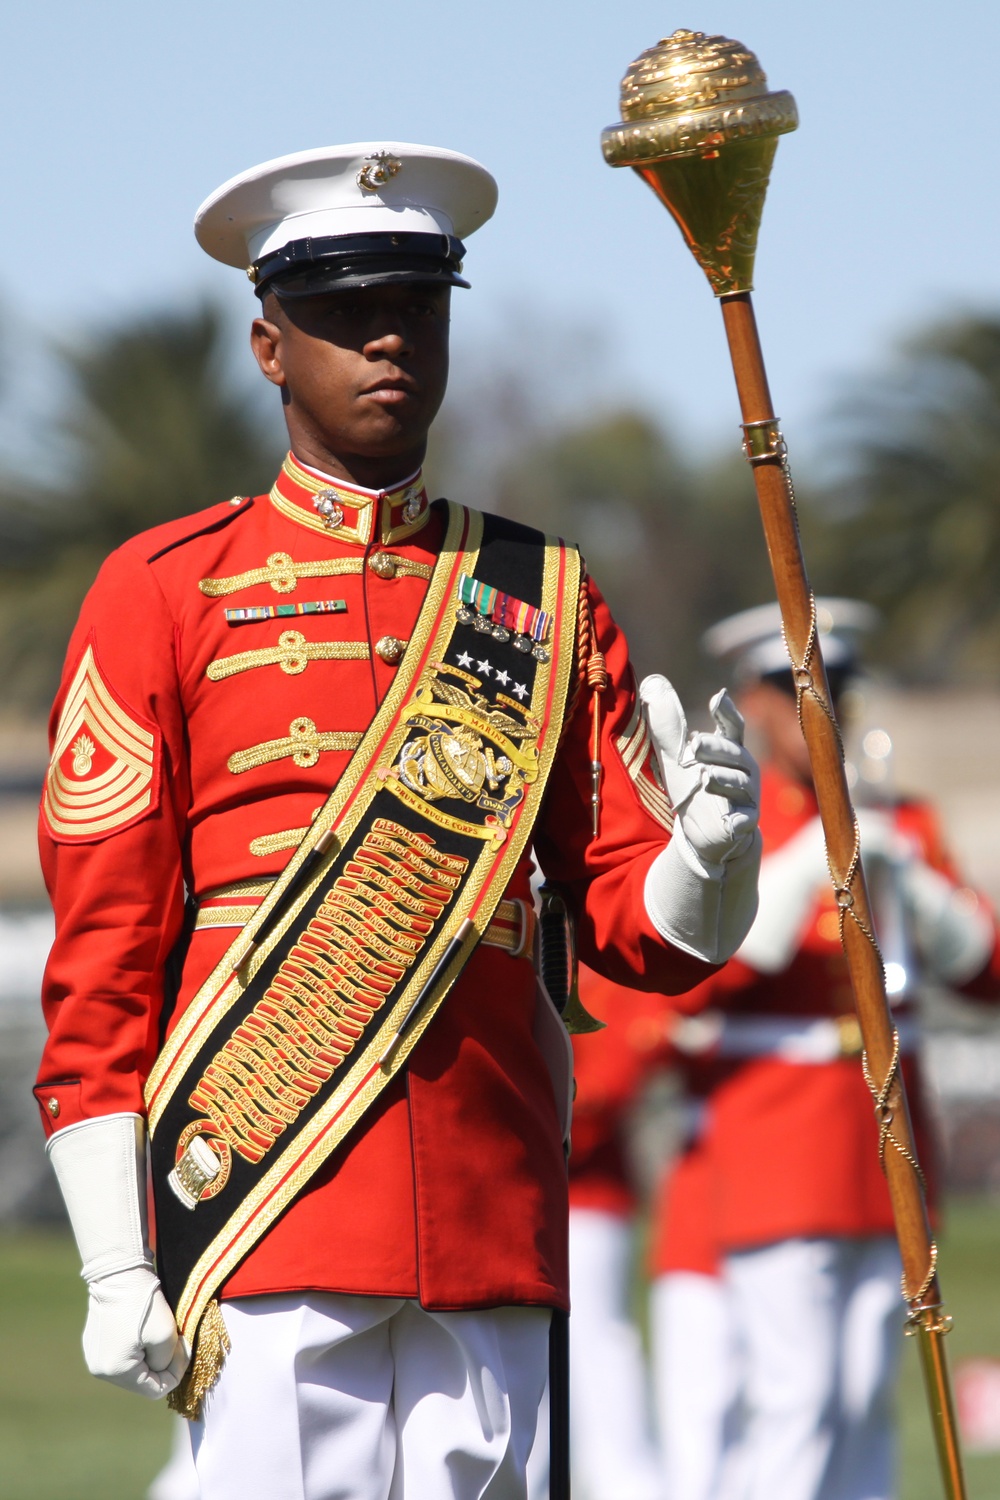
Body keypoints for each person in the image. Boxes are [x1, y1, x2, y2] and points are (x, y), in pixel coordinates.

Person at [34, 142, 763, 1500]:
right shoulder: (163, 590)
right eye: (343, 310)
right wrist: (114, 1257)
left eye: (419, 306)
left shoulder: (541, 597)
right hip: (263, 1194)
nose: (388, 337)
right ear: (268, 346)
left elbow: (626, 919)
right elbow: (106, 953)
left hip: (489, 1206)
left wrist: (713, 870)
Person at [649, 599, 1000, 1500]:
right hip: (783, 1143)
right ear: (750, 705)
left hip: (887, 1147)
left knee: (862, 1396)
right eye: (796, 688)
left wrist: (913, 883)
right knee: (796, 1399)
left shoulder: (900, 820)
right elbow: (696, 974)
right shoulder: (730, 826)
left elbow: (984, 972)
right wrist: (807, 863)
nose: (823, 708)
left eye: (836, 688)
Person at [527, 964, 669, 1500]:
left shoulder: (587, 959)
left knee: (599, 1348)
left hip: (586, 1195)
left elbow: (617, 1071)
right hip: (511, 1191)